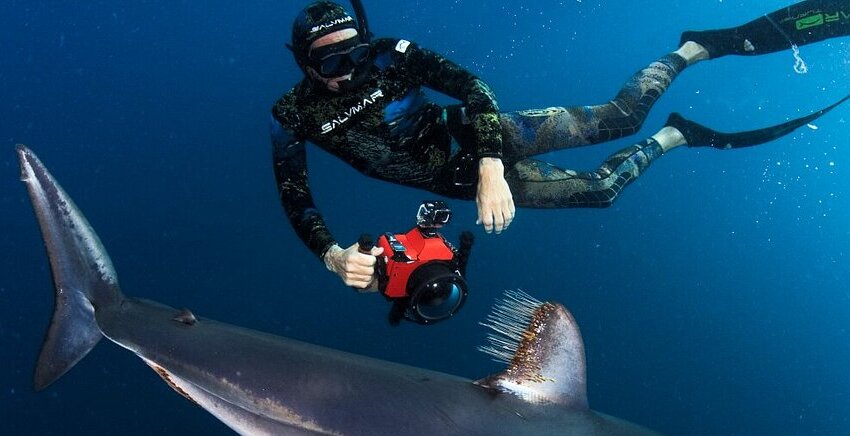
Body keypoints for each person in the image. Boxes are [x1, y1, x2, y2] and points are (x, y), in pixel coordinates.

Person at [270, 0, 850, 289]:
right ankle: (677, 136)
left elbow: (473, 87)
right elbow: (295, 192)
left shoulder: (392, 53)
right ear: (305, 63)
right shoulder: (295, 114)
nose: (351, 68)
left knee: (621, 116)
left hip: (487, 141)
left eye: (355, 50)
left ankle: (692, 49)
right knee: (600, 190)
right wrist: (332, 254)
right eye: (331, 61)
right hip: (452, 179)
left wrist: (492, 165)